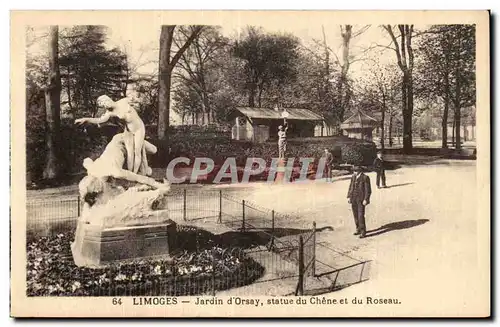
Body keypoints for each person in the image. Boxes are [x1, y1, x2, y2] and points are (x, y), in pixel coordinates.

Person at [75, 95, 151, 176]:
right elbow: (99, 120)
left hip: (139, 128)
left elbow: (135, 99)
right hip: (128, 131)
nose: (105, 105)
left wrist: (140, 99)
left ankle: (135, 174)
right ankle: (131, 174)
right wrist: (85, 119)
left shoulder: (123, 101)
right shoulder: (110, 113)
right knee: (130, 154)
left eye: (105, 102)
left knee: (137, 151)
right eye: (103, 105)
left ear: (108, 99)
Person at [347, 166, 372, 239]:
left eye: (355, 171)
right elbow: (351, 187)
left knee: (360, 215)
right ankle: (357, 228)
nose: (354, 172)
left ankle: (363, 231)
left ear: (359, 171)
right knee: (355, 214)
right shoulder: (353, 177)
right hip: (353, 198)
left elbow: (368, 190)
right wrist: (349, 196)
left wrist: (366, 199)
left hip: (361, 199)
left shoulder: (365, 177)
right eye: (354, 171)